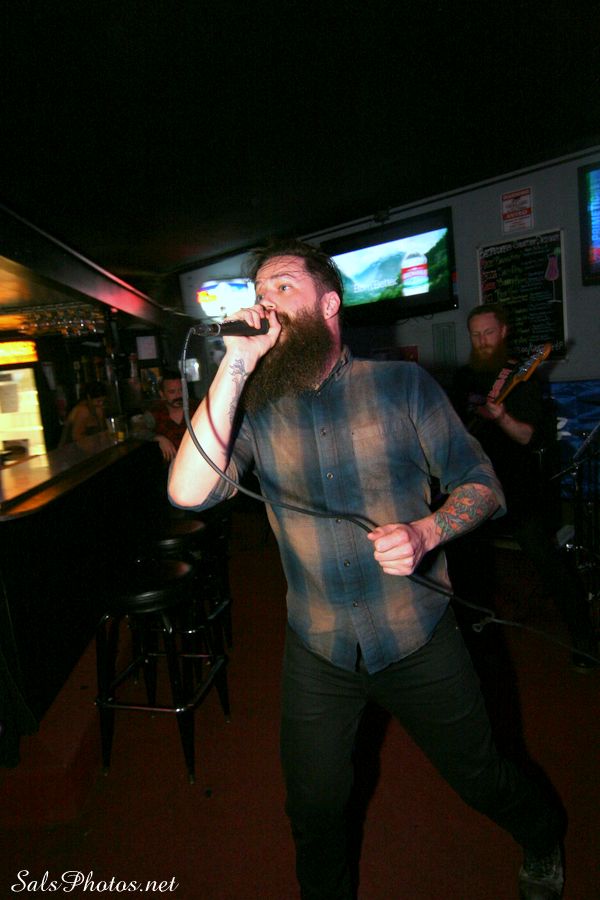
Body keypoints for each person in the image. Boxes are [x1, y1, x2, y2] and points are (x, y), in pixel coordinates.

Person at [168, 240, 565, 900]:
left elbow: (483, 484)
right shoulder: (256, 402)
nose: (266, 302)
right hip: (319, 646)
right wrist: (234, 364)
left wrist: (426, 530)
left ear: (329, 305)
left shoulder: (401, 385)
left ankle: (544, 835)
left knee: (481, 777)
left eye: (283, 287)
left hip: (415, 633)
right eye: (259, 293)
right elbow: (188, 492)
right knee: (314, 809)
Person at [450, 303, 597, 672]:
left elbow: (527, 436)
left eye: (488, 333)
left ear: (503, 332)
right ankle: (473, 636)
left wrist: (502, 417)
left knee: (547, 560)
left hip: (516, 485)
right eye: (475, 335)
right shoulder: (463, 377)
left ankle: (585, 640)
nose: (482, 341)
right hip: (473, 483)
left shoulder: (520, 375)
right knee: (461, 561)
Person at [150, 369, 198, 462]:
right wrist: (159, 438)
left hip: (198, 462)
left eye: (181, 390)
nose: (178, 395)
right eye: (172, 392)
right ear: (162, 394)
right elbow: (137, 431)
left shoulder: (197, 408)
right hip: (169, 466)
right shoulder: (156, 412)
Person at [59, 381, 108, 447]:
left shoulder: (97, 409)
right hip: (71, 449)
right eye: (98, 401)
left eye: (103, 401)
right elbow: (77, 437)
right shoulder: (83, 410)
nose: (101, 404)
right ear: (89, 398)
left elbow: (102, 432)